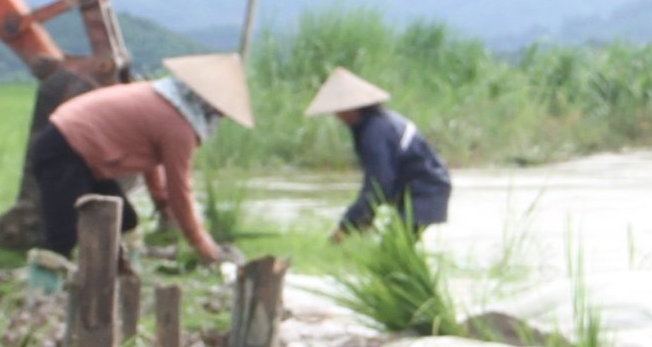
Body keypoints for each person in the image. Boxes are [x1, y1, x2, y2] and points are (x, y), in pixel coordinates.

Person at [33, 52, 253, 265]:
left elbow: (152, 162)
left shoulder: (163, 99)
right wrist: (204, 246)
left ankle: (116, 273)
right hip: (64, 150)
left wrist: (160, 200)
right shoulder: (178, 126)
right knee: (62, 237)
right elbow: (181, 191)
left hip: (79, 153)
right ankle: (45, 294)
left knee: (125, 221)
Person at [307, 66, 452, 236]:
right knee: (393, 247)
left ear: (353, 108)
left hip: (425, 191)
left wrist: (347, 225)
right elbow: (377, 181)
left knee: (392, 249)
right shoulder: (372, 126)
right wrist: (363, 218)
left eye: (339, 110)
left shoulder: (376, 131)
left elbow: (379, 183)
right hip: (419, 189)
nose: (337, 115)